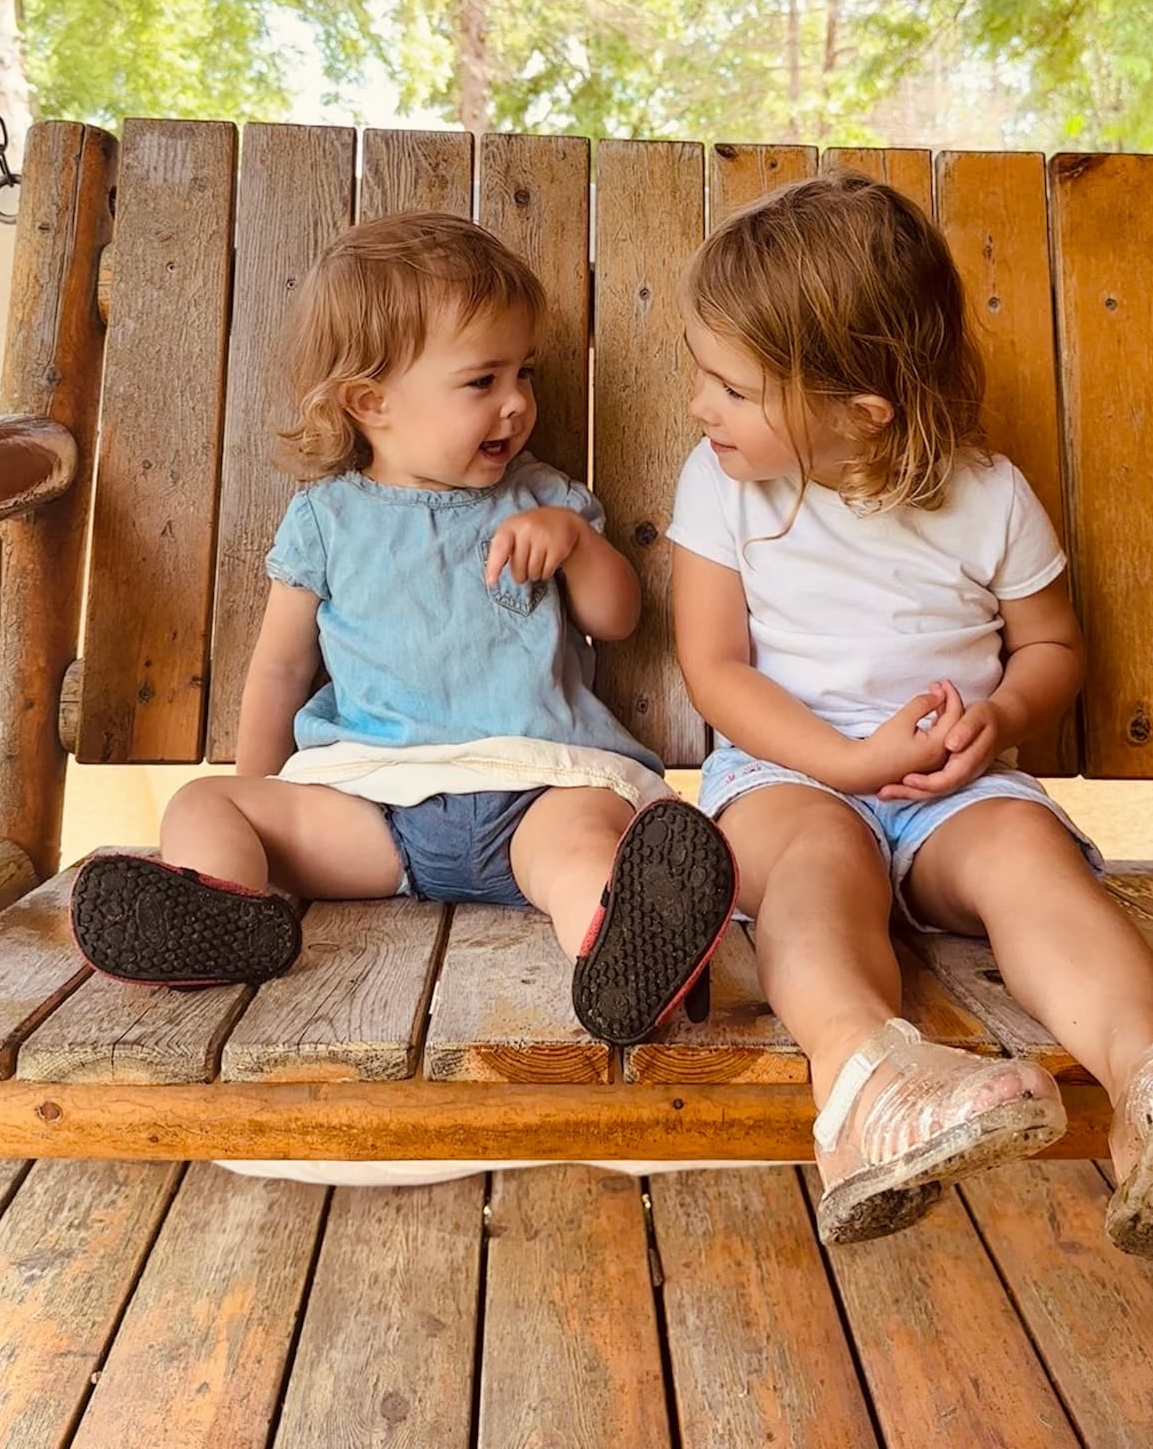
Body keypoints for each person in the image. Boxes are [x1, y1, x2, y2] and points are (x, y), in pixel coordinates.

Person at [668, 172, 1153, 1260]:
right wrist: (843, 756)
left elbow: (1052, 646)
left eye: (729, 388)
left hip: (953, 789)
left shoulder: (987, 495)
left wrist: (1002, 711)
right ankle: (865, 1083)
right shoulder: (722, 483)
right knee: (815, 866)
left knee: (1030, 858)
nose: (701, 406)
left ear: (859, 410)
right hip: (786, 771)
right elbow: (713, 664)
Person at [71, 211, 736, 1047]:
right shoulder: (327, 520)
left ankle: (626, 954)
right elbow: (280, 671)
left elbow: (619, 619)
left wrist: (575, 545)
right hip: (372, 800)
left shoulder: (544, 500)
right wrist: (265, 798)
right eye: (482, 381)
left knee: (583, 860)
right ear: (370, 401)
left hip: (535, 786)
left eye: (523, 373)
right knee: (208, 802)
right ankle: (224, 911)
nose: (518, 403)